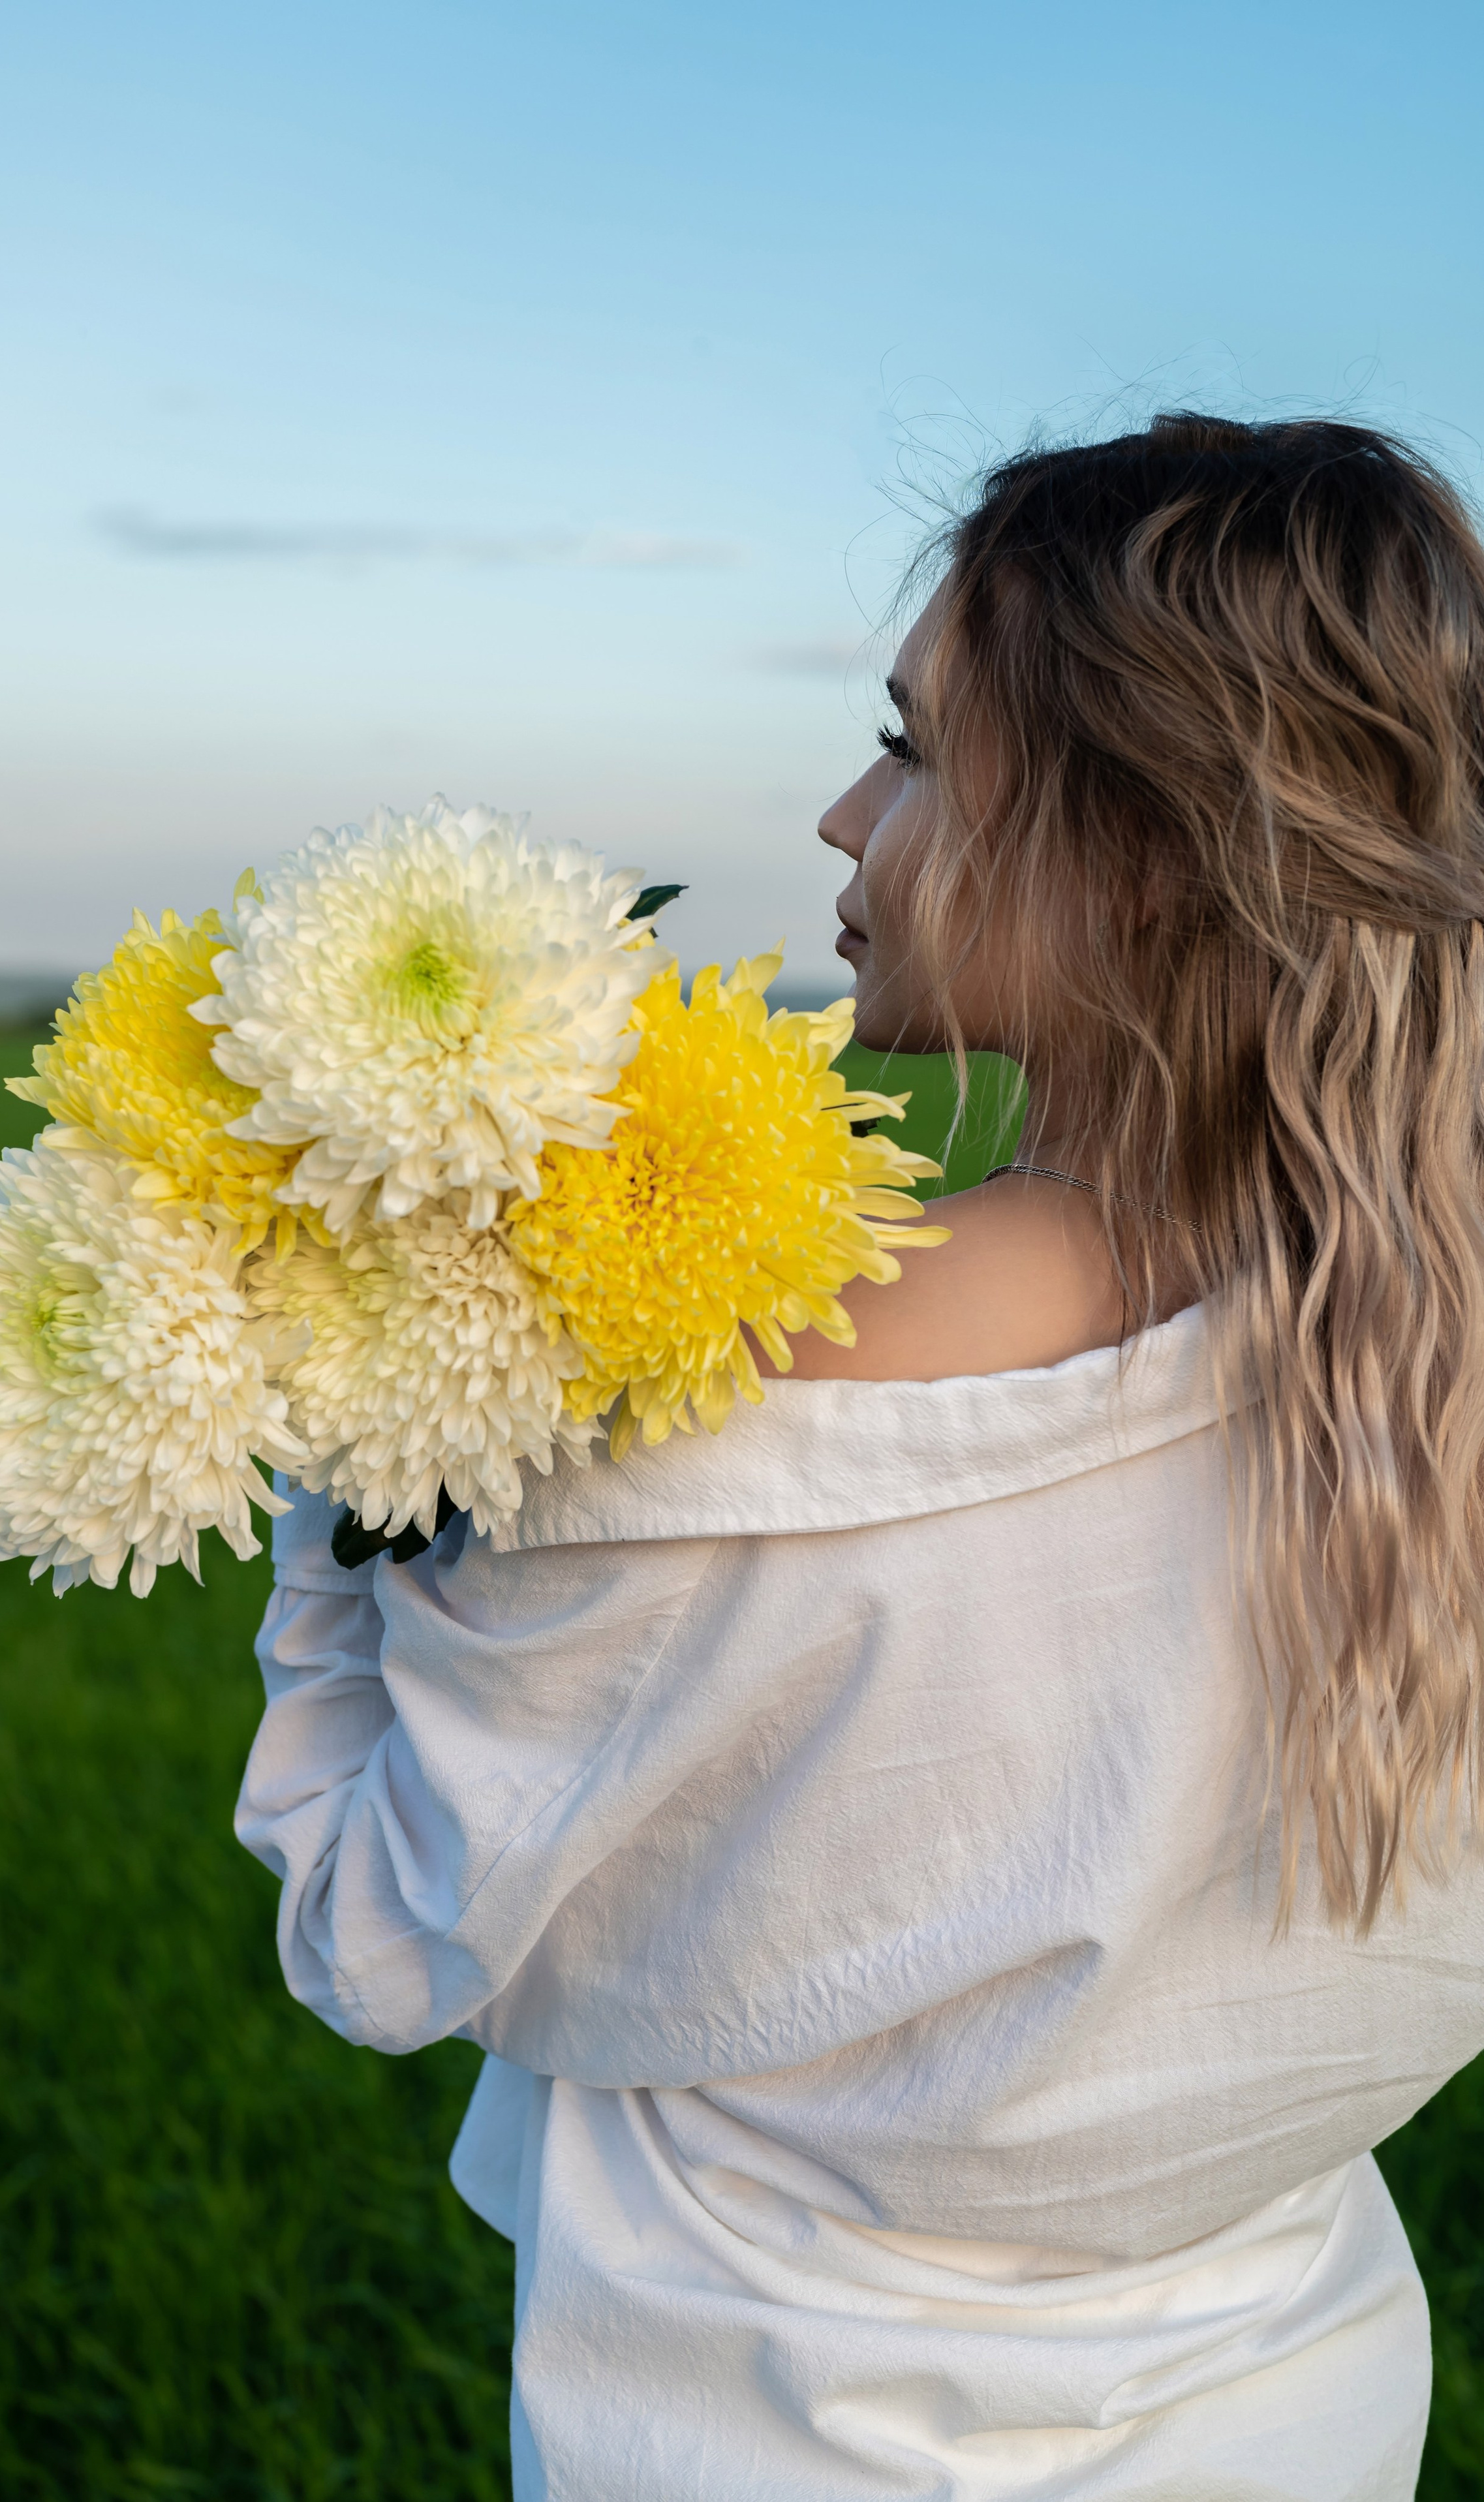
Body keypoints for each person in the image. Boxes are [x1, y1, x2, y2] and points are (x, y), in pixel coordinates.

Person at [235, 414, 1484, 2499]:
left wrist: (346, 1453)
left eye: (910, 750)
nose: (841, 813)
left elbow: (381, 1922)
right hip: (1294, 2391)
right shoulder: (1428, 1352)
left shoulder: (728, 1379)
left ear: (1147, 852)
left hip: (766, 2423)